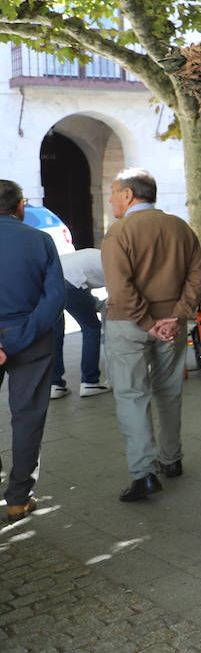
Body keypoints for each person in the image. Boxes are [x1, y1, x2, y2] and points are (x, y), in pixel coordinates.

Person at [101, 169, 201, 502]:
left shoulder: (119, 232)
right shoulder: (181, 227)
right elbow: (196, 276)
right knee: (170, 389)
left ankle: (143, 473)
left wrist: (147, 323)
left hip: (128, 325)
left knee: (132, 395)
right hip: (172, 323)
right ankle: (171, 458)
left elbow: (119, 288)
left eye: (114, 192)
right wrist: (177, 315)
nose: (111, 198)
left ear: (129, 195)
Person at [0, 180, 66, 523]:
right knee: (27, 418)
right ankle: (18, 498)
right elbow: (55, 297)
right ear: (20, 206)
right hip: (31, 337)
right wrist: (16, 339)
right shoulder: (40, 240)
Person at [50, 248, 111, 399]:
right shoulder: (114, 262)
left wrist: (97, 304)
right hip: (70, 284)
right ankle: (90, 382)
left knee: (55, 334)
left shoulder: (97, 255)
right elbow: (119, 292)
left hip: (48, 282)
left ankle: (54, 385)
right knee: (91, 328)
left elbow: (83, 290)